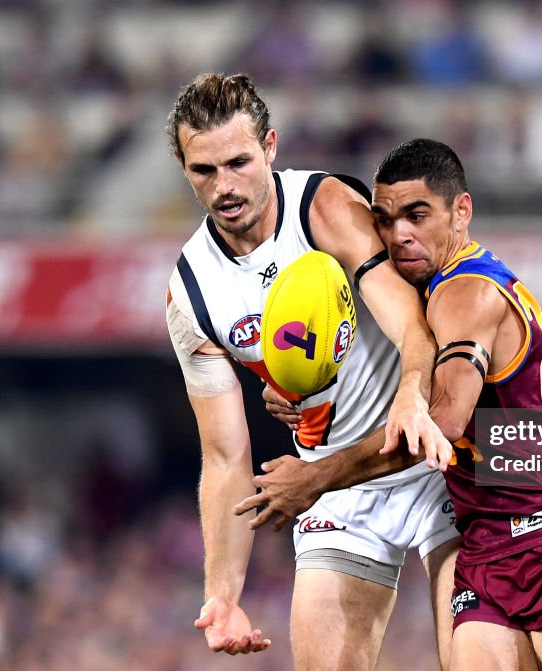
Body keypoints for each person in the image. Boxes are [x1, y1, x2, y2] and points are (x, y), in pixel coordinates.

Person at [248, 139, 542, 671]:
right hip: (485, 544)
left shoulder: (466, 291)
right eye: (384, 220)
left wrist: (317, 477)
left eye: (417, 215)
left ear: (462, 211)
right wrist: (301, 388)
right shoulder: (423, 293)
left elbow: (438, 426)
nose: (398, 234)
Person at [163, 74, 459, 670]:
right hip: (336, 481)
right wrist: (222, 595)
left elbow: (412, 326)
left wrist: (408, 397)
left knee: (477, 660)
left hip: (432, 458)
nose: (225, 186)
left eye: (239, 162)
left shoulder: (323, 208)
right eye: (204, 170)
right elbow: (224, 457)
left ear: (270, 147)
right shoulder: (191, 295)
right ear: (183, 166)